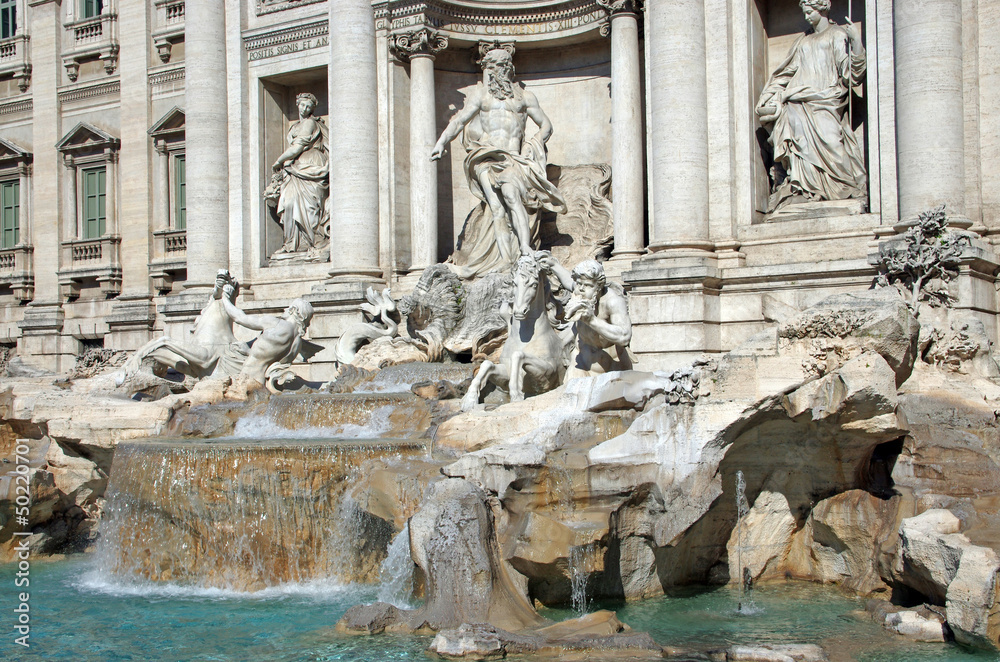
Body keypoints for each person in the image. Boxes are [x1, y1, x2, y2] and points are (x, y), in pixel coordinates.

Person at [431, 48, 566, 278]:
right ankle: (505, 260)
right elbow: (458, 121)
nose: (497, 72)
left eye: (502, 67)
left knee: (513, 197)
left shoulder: (525, 97)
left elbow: (546, 125)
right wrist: (441, 142)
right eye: (492, 68)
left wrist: (532, 145)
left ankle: (525, 251)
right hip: (484, 157)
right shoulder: (481, 96)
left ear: (510, 69)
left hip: (513, 158)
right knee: (496, 208)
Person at [755, 0, 866, 212]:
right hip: (799, 100)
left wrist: (856, 42)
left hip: (827, 99)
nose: (806, 17)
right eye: (805, 12)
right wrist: (769, 96)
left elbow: (851, 75)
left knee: (832, 140)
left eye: (810, 12)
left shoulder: (838, 34)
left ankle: (841, 185)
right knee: (794, 130)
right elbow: (786, 72)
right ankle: (803, 188)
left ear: (822, 10)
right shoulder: (802, 41)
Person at [540, 255, 633, 378]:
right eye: (579, 284)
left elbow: (624, 336)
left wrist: (592, 320)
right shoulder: (581, 290)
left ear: (599, 286)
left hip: (612, 369)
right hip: (581, 365)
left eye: (588, 285)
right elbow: (568, 281)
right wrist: (553, 265)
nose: (581, 289)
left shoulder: (613, 301)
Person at [267, 92, 330, 256]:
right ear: (297, 104)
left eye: (309, 106)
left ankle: (311, 242)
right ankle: (293, 243)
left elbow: (297, 147)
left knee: (310, 208)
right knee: (289, 204)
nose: (305, 108)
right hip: (295, 168)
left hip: (310, 164)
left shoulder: (310, 123)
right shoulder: (294, 126)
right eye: (303, 105)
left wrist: (279, 161)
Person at [219, 286, 314, 386]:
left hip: (248, 379)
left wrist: (225, 298)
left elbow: (240, 318)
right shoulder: (297, 342)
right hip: (264, 382)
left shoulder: (276, 324)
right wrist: (248, 351)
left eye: (288, 308)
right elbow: (268, 359)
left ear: (293, 310)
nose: (285, 309)